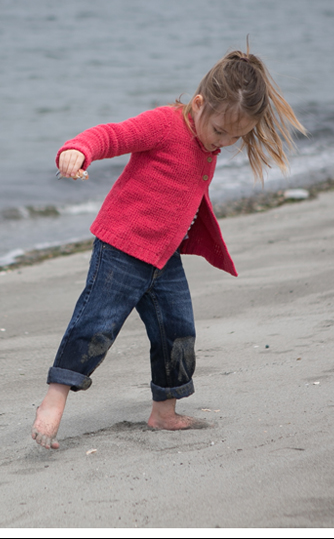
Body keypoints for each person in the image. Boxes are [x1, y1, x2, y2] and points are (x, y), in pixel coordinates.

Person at [31, 47, 306, 449]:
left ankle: (163, 411)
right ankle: (55, 398)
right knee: (96, 325)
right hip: (122, 246)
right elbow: (111, 135)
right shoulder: (164, 124)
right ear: (199, 104)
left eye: (237, 137)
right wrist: (78, 150)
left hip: (163, 257)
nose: (225, 142)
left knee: (177, 332)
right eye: (220, 132)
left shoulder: (209, 140)